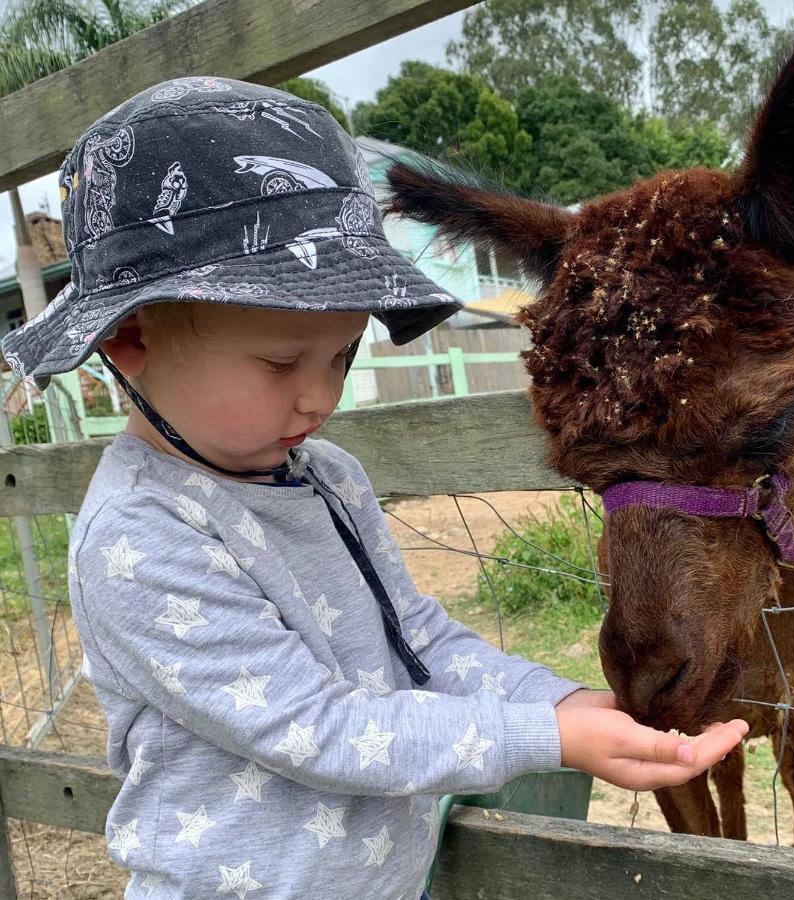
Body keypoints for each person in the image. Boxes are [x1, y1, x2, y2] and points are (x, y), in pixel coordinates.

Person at [2, 76, 748, 900]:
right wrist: (547, 735)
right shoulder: (141, 537)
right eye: (283, 363)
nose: (321, 397)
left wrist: (568, 699)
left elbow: (416, 638)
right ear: (131, 337)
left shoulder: (327, 476)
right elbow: (313, 727)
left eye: (342, 356)